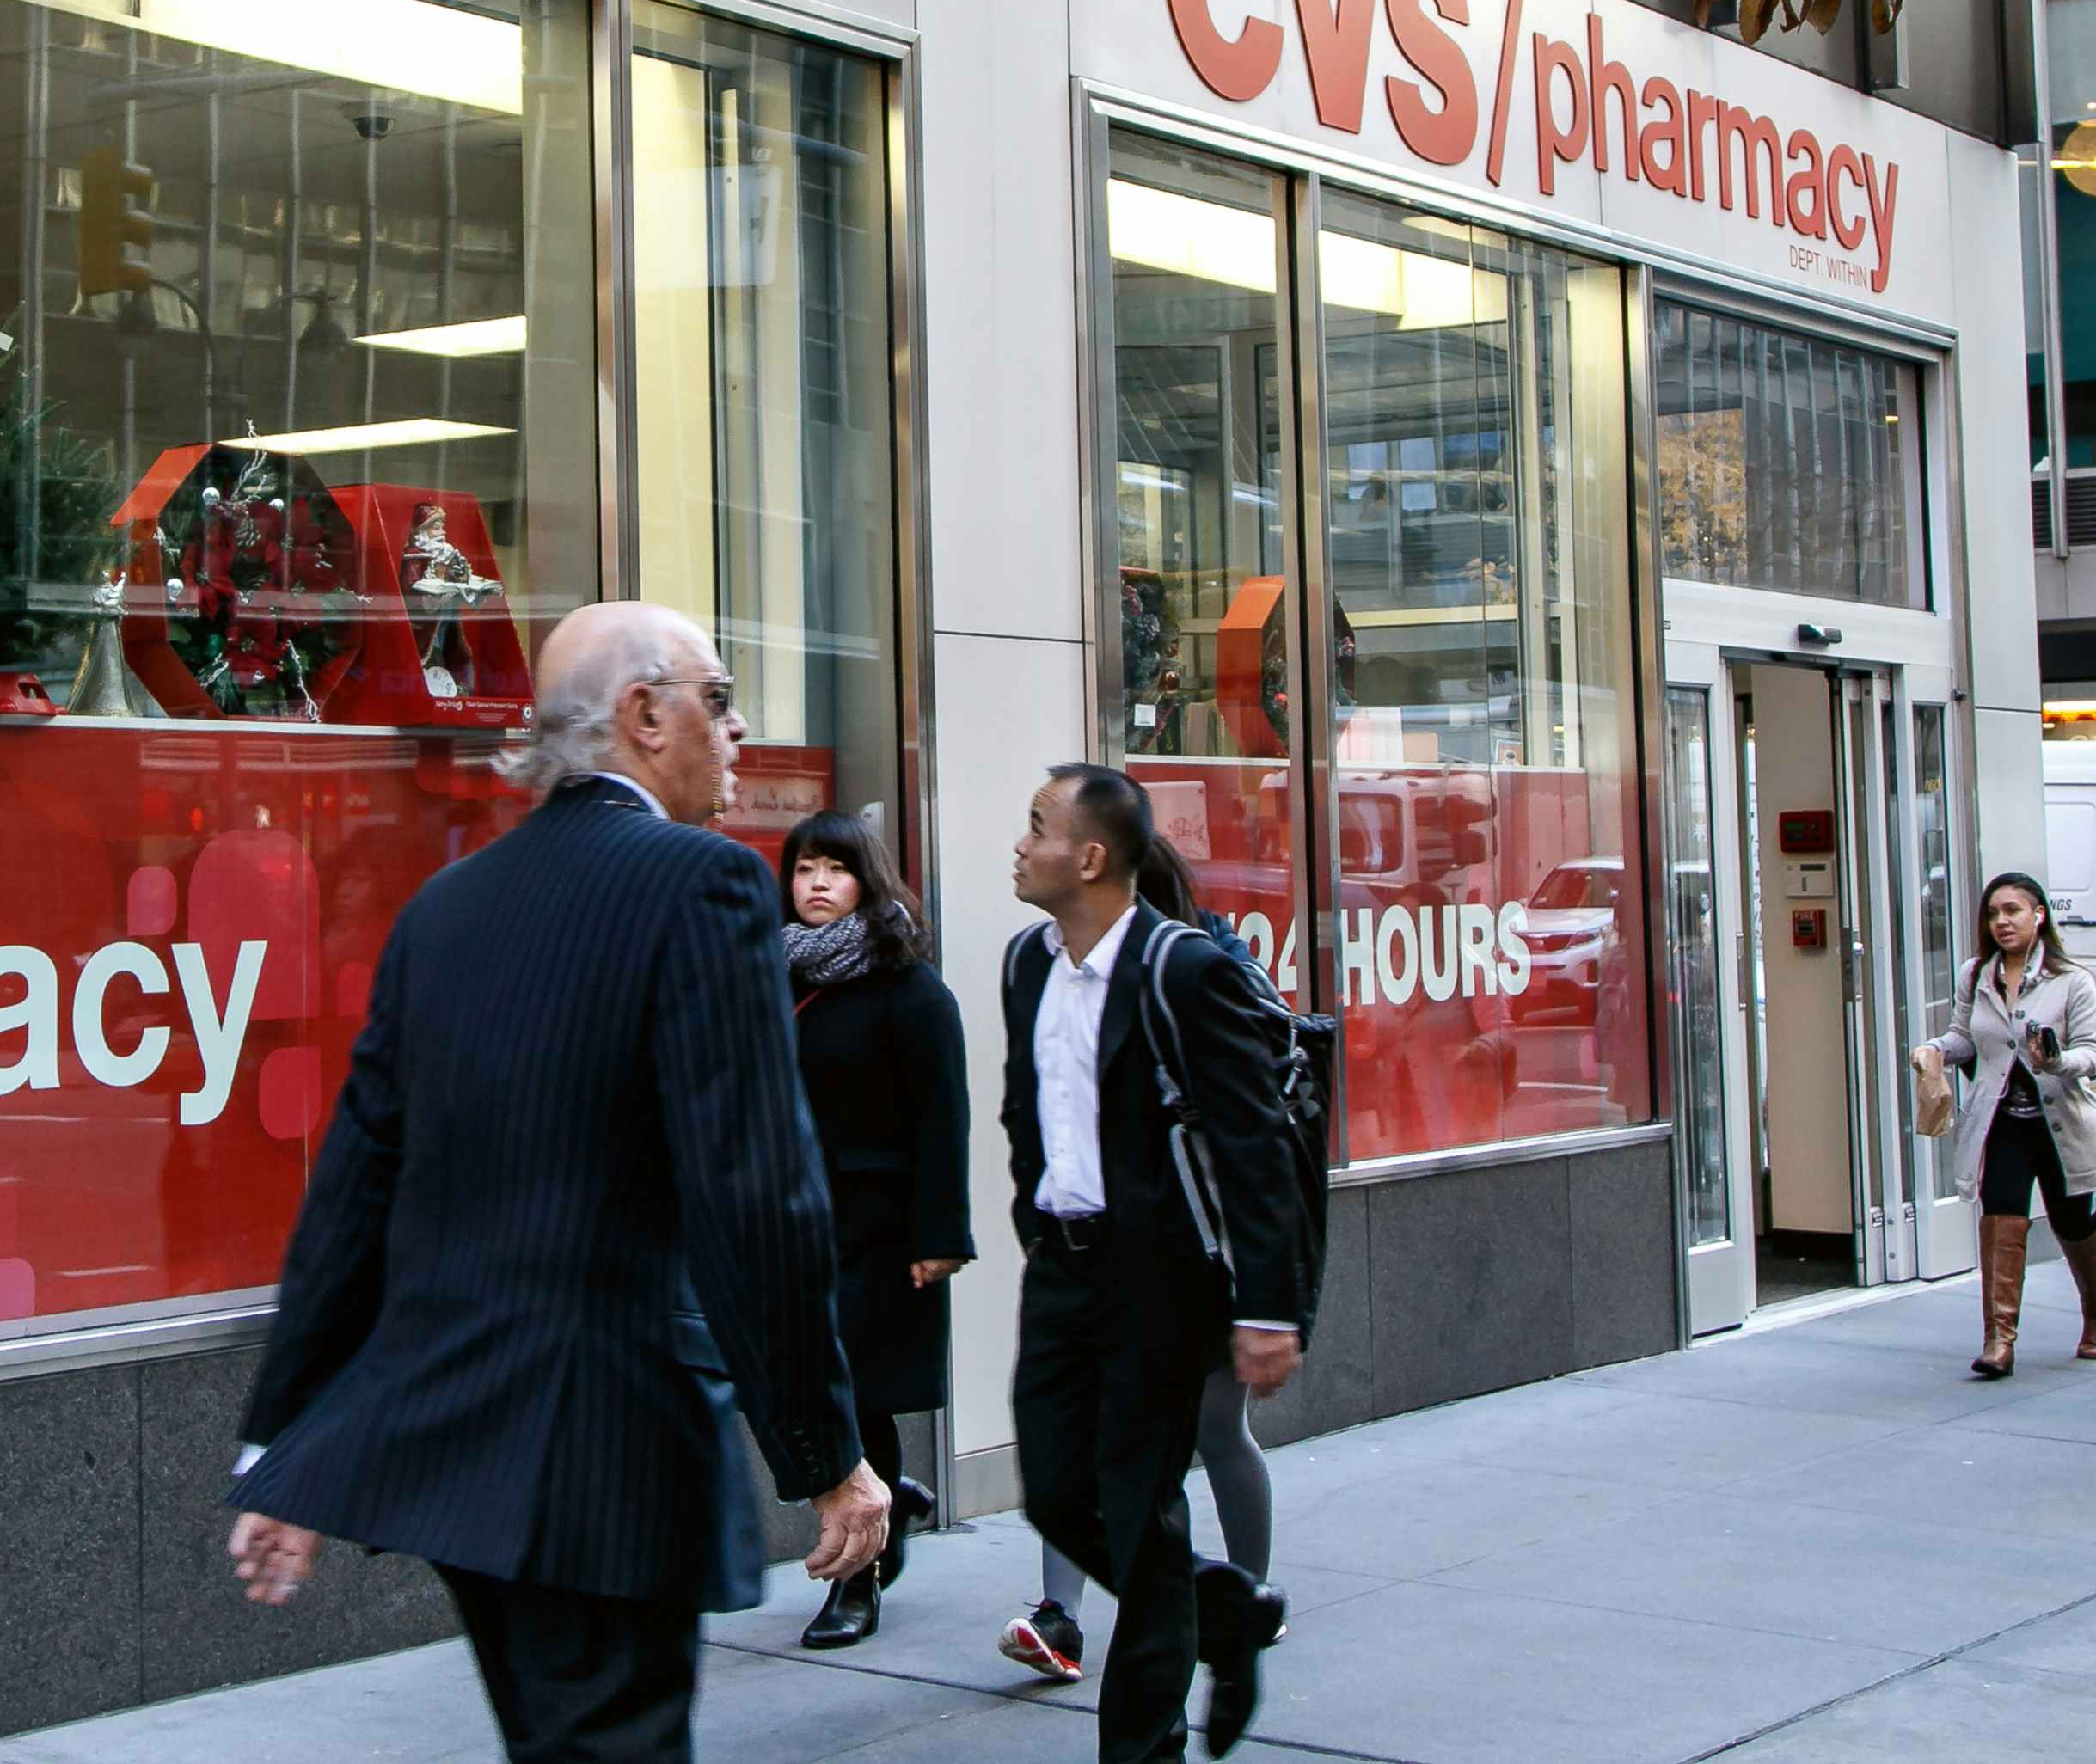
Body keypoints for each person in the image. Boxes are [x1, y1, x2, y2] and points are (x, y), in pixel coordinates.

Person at [227, 602, 889, 1760]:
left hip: (456, 1453)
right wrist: (824, 1452)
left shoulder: (446, 907)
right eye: (717, 700)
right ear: (642, 716)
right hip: (606, 1453)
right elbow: (754, 1191)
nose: (735, 732)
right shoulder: (703, 885)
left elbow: (354, 1186)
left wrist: (278, 1439)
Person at [1002, 765, 1313, 1761]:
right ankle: (1221, 1612)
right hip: (1062, 1268)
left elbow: (1256, 1144)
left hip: (1158, 1278)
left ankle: (1146, 1746)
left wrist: (1269, 1303)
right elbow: (1026, 1111)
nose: (1020, 842)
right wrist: (1037, 1220)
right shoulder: (1026, 963)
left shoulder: (1183, 969)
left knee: (1139, 1505)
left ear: (1090, 856)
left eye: (1038, 826)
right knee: (1055, 1489)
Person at [775, 806, 971, 1650]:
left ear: (868, 879)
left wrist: (941, 1233)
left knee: (855, 1400)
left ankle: (855, 1583)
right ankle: (896, 1499)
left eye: (835, 867)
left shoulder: (910, 986)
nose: (815, 883)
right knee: (803, 1394)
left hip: (880, 1228)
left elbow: (943, 1117)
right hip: (792, 1222)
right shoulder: (773, 973)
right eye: (803, 867)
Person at [1919, 872, 2096, 1380]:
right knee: (2001, 1218)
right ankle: (1998, 1339)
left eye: (2013, 911)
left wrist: (2056, 1061)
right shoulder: (1976, 975)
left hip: (2062, 1122)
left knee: (2073, 1222)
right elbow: (1964, 1036)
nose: (2003, 922)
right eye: (1993, 913)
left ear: (2039, 916)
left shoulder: (2070, 979)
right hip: (2002, 1121)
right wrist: (1937, 1051)